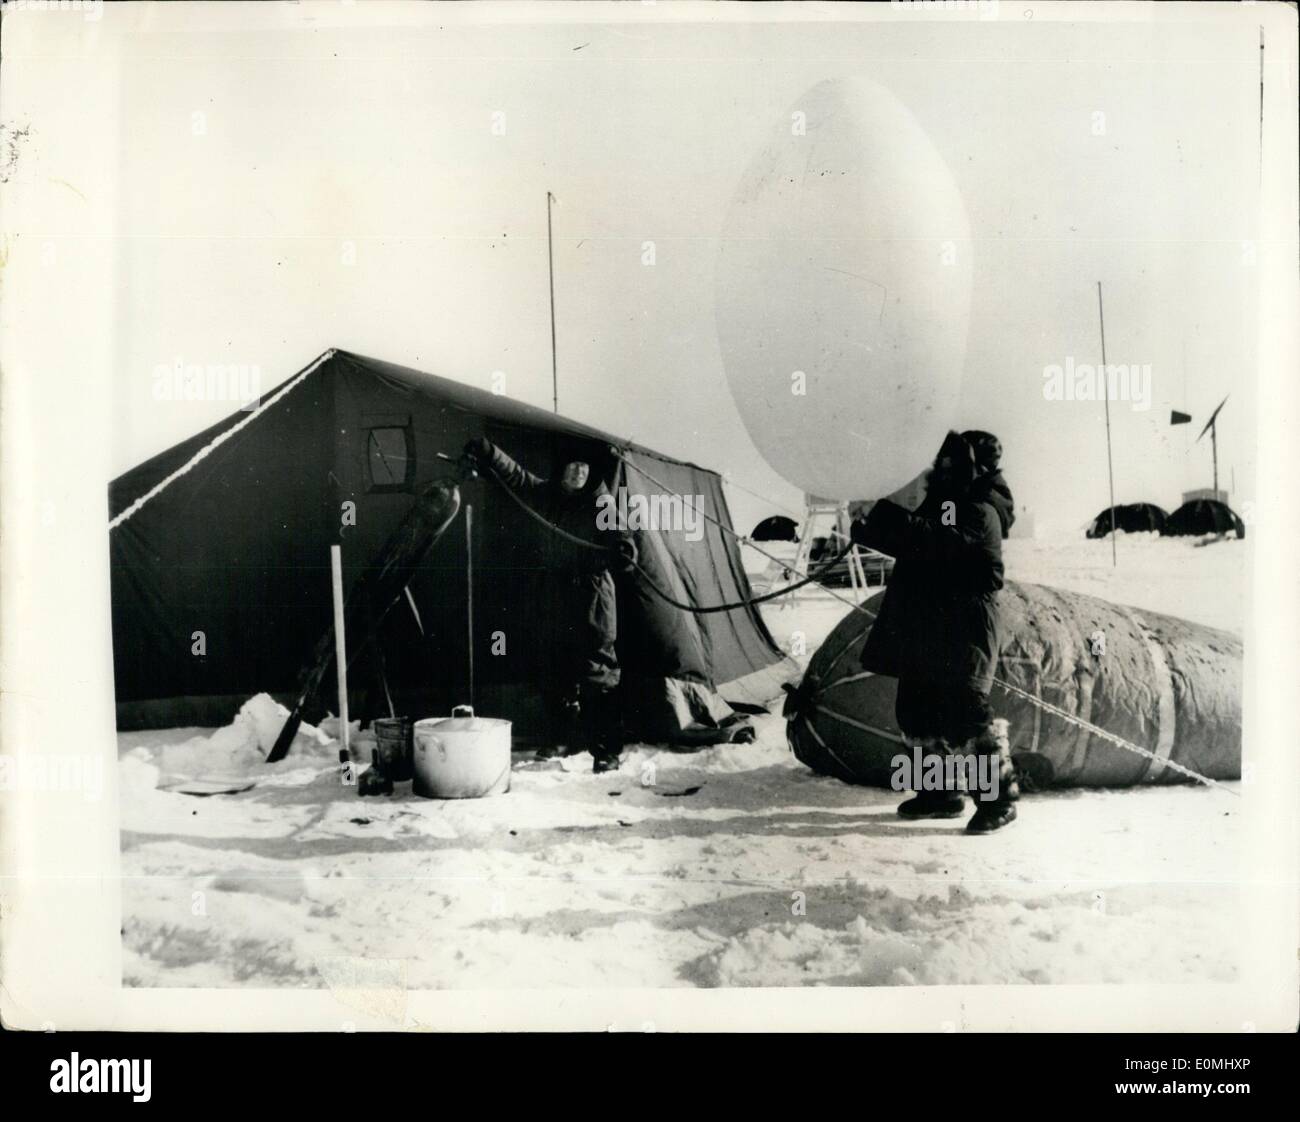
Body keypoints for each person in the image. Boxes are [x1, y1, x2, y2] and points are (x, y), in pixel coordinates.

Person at [848, 429, 1019, 833]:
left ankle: (1000, 801)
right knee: (916, 707)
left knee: (966, 713)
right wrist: (866, 525)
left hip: (966, 624)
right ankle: (939, 793)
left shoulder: (980, 509)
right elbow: (915, 538)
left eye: (946, 459)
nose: (937, 466)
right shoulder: (949, 504)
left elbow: (933, 541)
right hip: (933, 621)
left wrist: (883, 514)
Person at [463, 436, 635, 774]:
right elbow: (517, 476)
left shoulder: (601, 503)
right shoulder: (546, 494)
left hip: (591, 599)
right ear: (561, 469)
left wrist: (624, 553)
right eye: (571, 465)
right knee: (554, 670)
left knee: (597, 674)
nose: (577, 472)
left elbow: (622, 539)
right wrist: (489, 450)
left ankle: (606, 750)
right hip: (553, 597)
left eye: (583, 466)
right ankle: (561, 737)